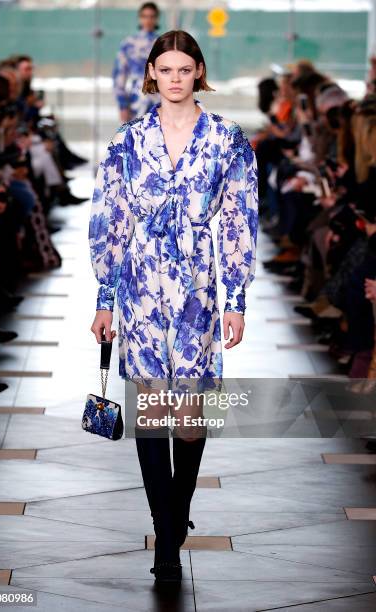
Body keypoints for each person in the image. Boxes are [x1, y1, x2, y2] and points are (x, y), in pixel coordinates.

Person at [89, 29, 258, 583]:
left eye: (186, 70)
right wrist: (104, 298)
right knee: (152, 411)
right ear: (153, 75)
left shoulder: (228, 139)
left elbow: (238, 220)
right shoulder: (127, 141)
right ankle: (166, 535)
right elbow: (110, 219)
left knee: (187, 419)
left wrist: (236, 298)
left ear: (199, 72)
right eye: (167, 70)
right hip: (140, 282)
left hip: (198, 289)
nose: (177, 79)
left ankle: (176, 511)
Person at [112, 2, 161, 122]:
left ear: (156, 19)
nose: (148, 20)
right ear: (139, 18)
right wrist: (122, 104)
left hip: (160, 99)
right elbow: (119, 75)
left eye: (152, 16)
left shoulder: (162, 43)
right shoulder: (129, 43)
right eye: (144, 16)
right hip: (136, 101)